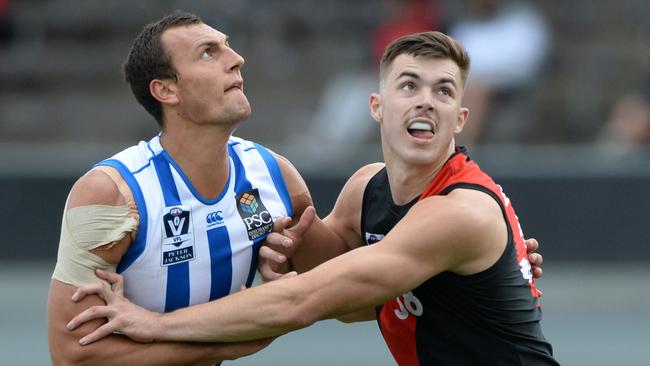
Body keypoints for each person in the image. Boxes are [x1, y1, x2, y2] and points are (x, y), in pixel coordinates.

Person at [67, 31, 558, 365]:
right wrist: (288, 253)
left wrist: (153, 324)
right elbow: (351, 304)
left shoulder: (459, 213)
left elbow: (307, 298)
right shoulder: (367, 189)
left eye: (445, 91)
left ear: (461, 119)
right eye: (409, 85)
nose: (426, 100)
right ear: (377, 106)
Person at [46, 12, 348, 366]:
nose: (236, 60)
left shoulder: (275, 176)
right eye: (208, 52)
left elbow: (349, 295)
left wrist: (291, 263)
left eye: (228, 47)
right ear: (165, 90)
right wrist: (221, 342)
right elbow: (72, 357)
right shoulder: (111, 192)